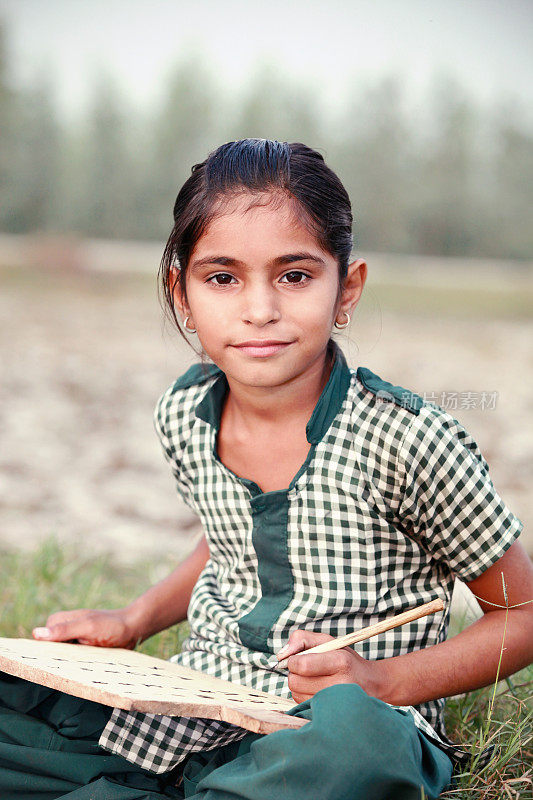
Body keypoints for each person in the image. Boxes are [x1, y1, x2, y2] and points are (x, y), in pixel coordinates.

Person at [1, 139, 532, 800]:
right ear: (183, 294)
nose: (259, 309)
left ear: (347, 287)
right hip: (204, 698)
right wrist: (133, 621)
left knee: (354, 754)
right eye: (222, 278)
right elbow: (230, 539)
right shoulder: (185, 413)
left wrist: (380, 681)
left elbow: (521, 611)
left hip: (334, 721)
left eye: (295, 275)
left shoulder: (409, 438)